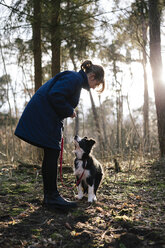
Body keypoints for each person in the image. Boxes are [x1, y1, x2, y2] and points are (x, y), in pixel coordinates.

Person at [14, 60, 105, 210]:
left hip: (47, 117)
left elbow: (57, 97)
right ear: (93, 76)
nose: (95, 87)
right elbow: (55, 95)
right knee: (52, 151)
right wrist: (70, 111)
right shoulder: (74, 78)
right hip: (43, 117)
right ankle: (52, 197)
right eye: (97, 84)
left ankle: (50, 196)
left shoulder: (75, 79)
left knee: (52, 152)